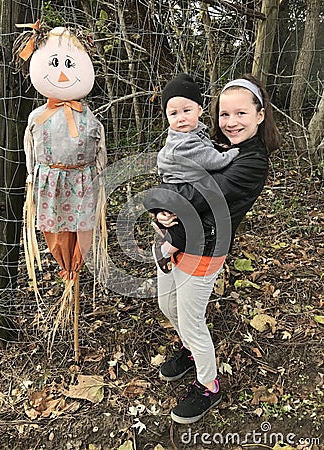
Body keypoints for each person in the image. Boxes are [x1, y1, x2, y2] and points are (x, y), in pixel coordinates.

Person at [143, 74, 281, 424]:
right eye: (225, 114)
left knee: (190, 320)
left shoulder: (250, 161)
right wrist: (161, 203)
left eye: (241, 114)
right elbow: (174, 175)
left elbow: (204, 193)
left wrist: (156, 199)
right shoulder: (208, 144)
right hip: (176, 239)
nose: (231, 122)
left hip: (205, 246)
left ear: (259, 115)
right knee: (166, 303)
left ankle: (209, 385)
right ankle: (190, 352)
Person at [151, 73, 239, 273]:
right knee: (189, 223)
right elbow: (210, 160)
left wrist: (218, 146)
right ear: (166, 116)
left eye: (186, 111)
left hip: (182, 180)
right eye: (173, 114)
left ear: (199, 110)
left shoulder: (194, 133)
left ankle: (166, 231)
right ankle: (164, 250)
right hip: (179, 183)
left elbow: (206, 148)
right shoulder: (183, 142)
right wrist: (232, 154)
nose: (181, 118)